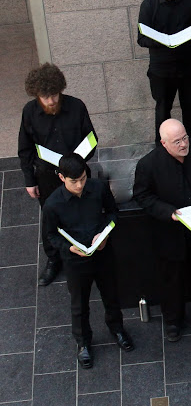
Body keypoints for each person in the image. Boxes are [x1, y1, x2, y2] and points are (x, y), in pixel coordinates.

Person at [132, 119, 191, 342]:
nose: (184, 144)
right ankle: (173, 319)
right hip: (170, 232)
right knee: (171, 276)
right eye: (177, 141)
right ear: (164, 143)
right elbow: (143, 196)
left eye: (184, 137)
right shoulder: (148, 165)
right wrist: (169, 212)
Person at [42, 154, 134, 369]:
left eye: (83, 178)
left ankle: (117, 329)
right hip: (75, 261)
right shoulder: (52, 205)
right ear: (61, 177)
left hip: (102, 253)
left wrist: (104, 234)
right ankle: (83, 343)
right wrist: (70, 248)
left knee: (111, 295)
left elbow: (112, 213)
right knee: (79, 305)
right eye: (74, 181)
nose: (80, 185)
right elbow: (51, 236)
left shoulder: (98, 189)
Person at [18, 63, 96, 287]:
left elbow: (91, 138)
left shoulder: (77, 106)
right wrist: (29, 180)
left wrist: (77, 161)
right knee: (51, 218)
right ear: (36, 95)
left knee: (84, 212)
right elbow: (25, 149)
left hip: (76, 173)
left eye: (54, 95)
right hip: (47, 176)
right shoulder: (29, 112)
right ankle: (54, 260)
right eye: (45, 97)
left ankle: (88, 250)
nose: (51, 101)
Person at [137, 0, 191, 140]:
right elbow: (141, 39)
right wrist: (163, 42)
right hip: (161, 68)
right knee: (163, 109)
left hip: (187, 63)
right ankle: (163, 148)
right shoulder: (149, 5)